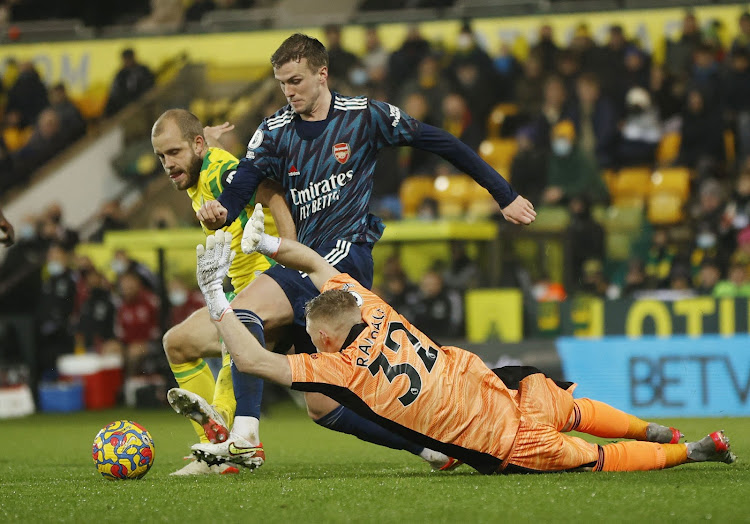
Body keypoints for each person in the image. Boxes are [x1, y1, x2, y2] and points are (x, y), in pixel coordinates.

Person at [187, 33, 536, 470]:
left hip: (345, 260)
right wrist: (223, 210)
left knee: (243, 311)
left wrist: (503, 194)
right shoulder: (274, 132)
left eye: (296, 80)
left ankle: (245, 436)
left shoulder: (364, 117)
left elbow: (440, 141)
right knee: (324, 405)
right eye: (281, 83)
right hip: (304, 261)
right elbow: (243, 184)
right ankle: (434, 449)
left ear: (322, 74)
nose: (289, 91)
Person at [190, 211, 736, 474]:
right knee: (575, 407)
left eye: (313, 341)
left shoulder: (341, 371)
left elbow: (253, 358)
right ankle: (652, 427)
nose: (310, 348)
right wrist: (265, 241)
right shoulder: (371, 304)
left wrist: (215, 294)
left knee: (593, 459)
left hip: (500, 443)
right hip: (502, 387)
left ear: (328, 336)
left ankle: (690, 450)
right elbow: (311, 261)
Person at [150, 108, 296, 476]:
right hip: (240, 295)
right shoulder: (198, 169)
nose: (167, 164)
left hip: (268, 293)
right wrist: (205, 140)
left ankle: (220, 447)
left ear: (196, 145)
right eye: (161, 156)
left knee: (238, 343)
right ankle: (217, 452)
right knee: (177, 344)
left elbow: (268, 190)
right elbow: (208, 156)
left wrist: (291, 252)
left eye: (174, 153)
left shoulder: (217, 170)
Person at [104, 49, 155, 117]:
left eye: (129, 58)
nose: (128, 61)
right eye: (126, 59)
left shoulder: (143, 70)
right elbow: (116, 93)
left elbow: (150, 85)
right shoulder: (121, 75)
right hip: (126, 105)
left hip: (143, 101)